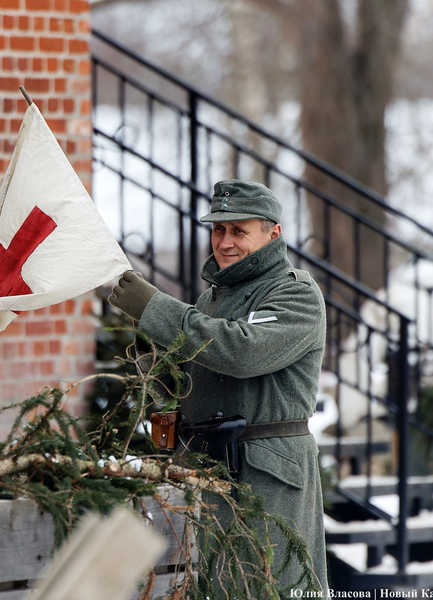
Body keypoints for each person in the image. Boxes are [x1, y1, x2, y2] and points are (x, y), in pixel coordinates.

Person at [108, 179, 328, 593]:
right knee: (213, 586)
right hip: (209, 465)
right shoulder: (214, 299)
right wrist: (150, 344)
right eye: (218, 230)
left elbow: (240, 353)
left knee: (266, 587)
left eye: (239, 230)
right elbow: (187, 376)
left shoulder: (295, 293)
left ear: (273, 232)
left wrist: (155, 306)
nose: (225, 242)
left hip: (265, 476)